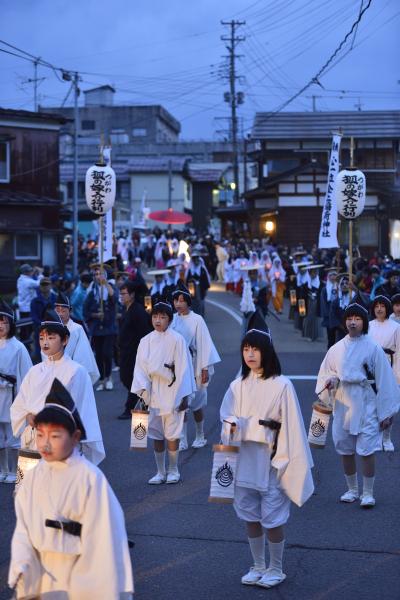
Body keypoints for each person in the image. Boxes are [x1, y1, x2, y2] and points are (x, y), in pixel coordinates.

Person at [8, 378, 134, 599]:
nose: (45, 444)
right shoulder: (34, 475)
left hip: (79, 572)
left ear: (75, 437)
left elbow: (104, 541)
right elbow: (23, 528)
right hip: (41, 569)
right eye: (39, 435)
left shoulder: (89, 479)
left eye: (55, 436)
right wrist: (22, 562)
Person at [220, 329, 313, 589]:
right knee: (250, 514)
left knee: (272, 517)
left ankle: (276, 567)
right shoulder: (236, 385)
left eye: (256, 349)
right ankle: (258, 564)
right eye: (246, 349)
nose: (250, 354)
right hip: (244, 460)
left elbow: (292, 426)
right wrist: (234, 425)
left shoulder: (282, 384)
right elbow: (225, 416)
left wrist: (282, 456)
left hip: (272, 460)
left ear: (267, 352)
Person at [316, 303, 400, 508]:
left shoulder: (373, 347)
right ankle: (352, 489)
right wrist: (332, 381)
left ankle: (368, 492)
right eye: (349, 318)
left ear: (364, 322)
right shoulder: (336, 349)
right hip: (343, 400)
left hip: (366, 400)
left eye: (358, 318)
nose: (353, 322)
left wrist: (386, 412)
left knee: (367, 448)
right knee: (344, 448)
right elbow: (327, 373)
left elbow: (384, 380)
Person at [11, 309, 105, 466]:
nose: (45, 342)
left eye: (51, 337)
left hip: (61, 439)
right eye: (41, 338)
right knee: (34, 487)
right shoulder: (34, 371)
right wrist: (28, 416)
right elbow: (20, 404)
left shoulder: (77, 371)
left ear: (65, 340)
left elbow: (81, 410)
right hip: (35, 438)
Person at [131, 302, 196, 484]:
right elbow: (140, 368)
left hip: (172, 389)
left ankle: (173, 469)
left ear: (170, 319)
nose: (158, 321)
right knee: (156, 433)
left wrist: (184, 395)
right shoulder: (146, 341)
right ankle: (160, 471)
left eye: (162, 317)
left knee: (172, 433)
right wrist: (143, 391)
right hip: (153, 391)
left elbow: (184, 368)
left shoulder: (177, 340)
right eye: (155, 317)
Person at [171, 288, 220, 450]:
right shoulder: (172, 319)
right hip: (178, 367)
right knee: (181, 403)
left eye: (181, 300)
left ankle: (200, 434)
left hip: (194, 363)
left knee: (197, 403)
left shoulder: (197, 319)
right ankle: (183, 438)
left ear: (188, 302)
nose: (178, 304)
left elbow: (204, 344)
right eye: (176, 300)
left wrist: (204, 368)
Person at [0, 300, 32, 484]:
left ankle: (13, 470)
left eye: (4, 322)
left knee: (13, 437)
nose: (0, 326)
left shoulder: (19, 347)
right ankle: (2, 468)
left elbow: (27, 376)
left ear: (11, 324)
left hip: (12, 396)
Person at [368, 295, 400, 452]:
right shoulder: (368, 326)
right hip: (372, 368)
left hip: (389, 365)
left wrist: (397, 374)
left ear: (387, 308)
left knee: (389, 403)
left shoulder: (395, 327)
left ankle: (387, 438)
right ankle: (376, 437)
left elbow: (399, 351)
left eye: (382, 306)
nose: (379, 309)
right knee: (373, 404)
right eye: (376, 306)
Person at [117, 281, 152, 420]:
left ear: (132, 295)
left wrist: (142, 353)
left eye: (124, 293)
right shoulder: (126, 309)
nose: (121, 296)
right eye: (120, 294)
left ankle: (130, 407)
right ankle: (143, 398)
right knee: (126, 378)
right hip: (125, 352)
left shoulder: (138, 311)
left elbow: (144, 333)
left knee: (131, 379)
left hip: (135, 352)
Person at [54, 292, 100, 385]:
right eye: (58, 311)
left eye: (63, 311)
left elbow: (83, 354)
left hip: (72, 371)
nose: (60, 314)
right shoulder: (49, 329)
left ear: (70, 311)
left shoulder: (76, 329)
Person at [83, 266, 117, 391]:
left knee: (107, 354)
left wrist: (106, 283)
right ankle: (102, 379)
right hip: (97, 329)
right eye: (96, 274)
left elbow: (114, 298)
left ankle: (109, 377)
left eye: (101, 273)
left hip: (109, 328)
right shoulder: (92, 292)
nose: (98, 276)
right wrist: (95, 315)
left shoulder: (110, 288)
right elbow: (85, 311)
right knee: (99, 355)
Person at [30, 278, 56, 360]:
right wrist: (43, 324)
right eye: (43, 285)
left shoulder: (56, 299)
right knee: (39, 353)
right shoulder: (34, 301)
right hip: (40, 330)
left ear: (51, 286)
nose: (45, 287)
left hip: (54, 330)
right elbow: (34, 317)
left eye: (47, 284)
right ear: (40, 287)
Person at [320, 269, 338, 349]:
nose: (333, 277)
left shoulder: (339, 287)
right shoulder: (324, 289)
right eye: (331, 275)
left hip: (337, 315)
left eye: (335, 275)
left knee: (337, 336)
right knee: (330, 335)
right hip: (329, 315)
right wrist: (327, 314)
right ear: (328, 277)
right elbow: (323, 302)